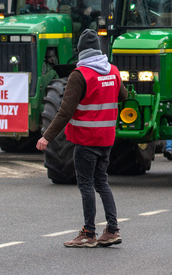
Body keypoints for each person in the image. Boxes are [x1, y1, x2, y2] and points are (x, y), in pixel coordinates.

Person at [37, 29, 127, 248]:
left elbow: (65, 112)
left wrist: (46, 137)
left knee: (86, 185)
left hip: (86, 140)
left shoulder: (80, 75)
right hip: (106, 139)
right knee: (102, 182)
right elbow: (124, 96)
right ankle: (112, 230)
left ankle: (89, 233)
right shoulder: (113, 71)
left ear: (80, 51)